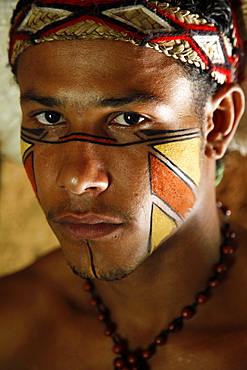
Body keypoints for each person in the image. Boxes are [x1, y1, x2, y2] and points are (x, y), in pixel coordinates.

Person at [1, 0, 247, 368]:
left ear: (218, 124)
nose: (79, 178)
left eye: (129, 118)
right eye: (49, 116)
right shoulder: (12, 322)